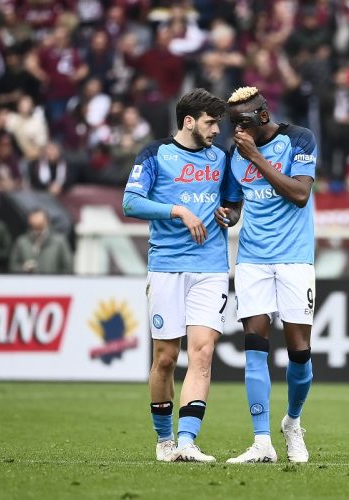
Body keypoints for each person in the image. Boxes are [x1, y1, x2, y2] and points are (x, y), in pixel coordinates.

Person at [121, 88, 230, 463]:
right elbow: (130, 202)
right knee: (166, 358)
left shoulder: (221, 157)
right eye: (211, 122)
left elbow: (232, 203)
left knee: (202, 353)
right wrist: (179, 211)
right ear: (189, 121)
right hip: (166, 265)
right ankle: (164, 440)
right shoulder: (154, 154)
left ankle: (187, 442)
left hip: (211, 266)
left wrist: (227, 215)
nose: (217, 130)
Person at [217, 86, 317, 464]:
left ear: (261, 117)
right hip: (253, 260)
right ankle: (262, 442)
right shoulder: (234, 155)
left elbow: (299, 194)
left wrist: (256, 157)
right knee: (254, 346)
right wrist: (227, 216)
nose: (235, 132)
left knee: (298, 352)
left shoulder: (299, 140)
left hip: (294, 260)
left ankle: (292, 423)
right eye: (231, 124)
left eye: (241, 123)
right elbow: (234, 206)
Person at [9, 208, 73, 274]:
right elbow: (13, 266)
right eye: (33, 217)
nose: (36, 220)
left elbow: (67, 266)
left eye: (38, 217)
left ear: (47, 221)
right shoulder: (22, 241)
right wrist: (23, 268)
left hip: (52, 282)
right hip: (28, 282)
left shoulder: (59, 241)